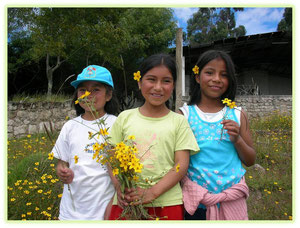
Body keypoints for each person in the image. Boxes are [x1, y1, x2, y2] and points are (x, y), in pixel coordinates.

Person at [108, 53, 199, 220]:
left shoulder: (179, 122)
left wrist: (152, 193)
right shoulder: (124, 118)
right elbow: (112, 158)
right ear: (139, 82)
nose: (158, 87)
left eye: (166, 81)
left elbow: (181, 164)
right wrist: (119, 186)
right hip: (127, 201)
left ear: (173, 86)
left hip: (167, 204)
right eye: (151, 79)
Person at [179, 50, 256, 220]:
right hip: (196, 203)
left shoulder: (237, 114)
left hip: (232, 202)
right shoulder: (184, 115)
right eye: (209, 72)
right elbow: (176, 162)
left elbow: (250, 160)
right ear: (197, 77)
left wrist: (237, 140)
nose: (216, 79)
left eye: (224, 75)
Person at [52, 65, 119, 220]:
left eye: (96, 90)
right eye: (83, 90)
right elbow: (62, 163)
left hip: (103, 210)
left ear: (108, 95)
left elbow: (120, 172)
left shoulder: (116, 124)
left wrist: (116, 202)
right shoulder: (70, 126)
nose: (88, 95)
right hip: (70, 212)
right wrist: (62, 172)